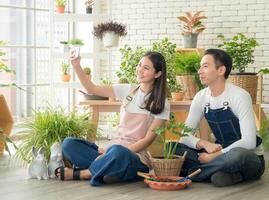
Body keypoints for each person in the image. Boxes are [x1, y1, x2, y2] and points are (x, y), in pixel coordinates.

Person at [55, 51, 170, 186]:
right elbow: (91, 89)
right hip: (113, 151)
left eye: (146, 68)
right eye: (139, 65)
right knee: (68, 143)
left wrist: (113, 152)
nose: (140, 70)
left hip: (135, 158)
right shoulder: (128, 90)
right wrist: (76, 66)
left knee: (118, 152)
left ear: (157, 74)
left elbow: (147, 140)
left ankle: (83, 173)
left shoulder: (162, 103)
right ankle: (105, 167)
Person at [175, 49, 265, 187]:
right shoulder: (201, 97)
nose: (199, 71)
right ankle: (229, 175)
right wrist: (204, 144)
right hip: (217, 154)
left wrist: (214, 157)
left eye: (205, 66)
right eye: (200, 66)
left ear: (221, 70)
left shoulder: (240, 95)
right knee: (173, 147)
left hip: (248, 158)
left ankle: (193, 173)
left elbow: (249, 142)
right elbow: (184, 136)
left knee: (238, 155)